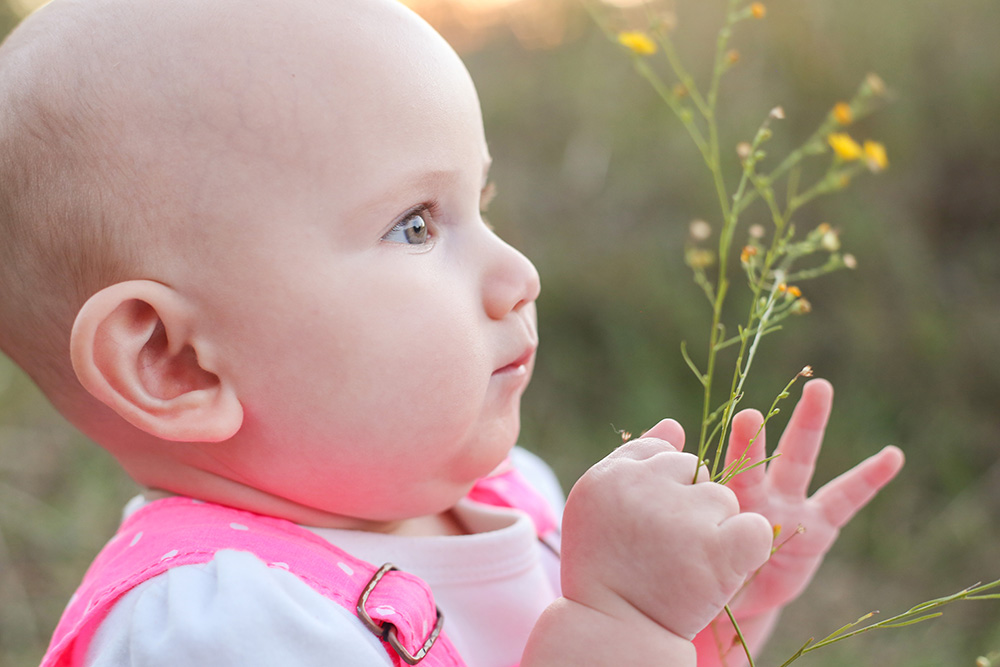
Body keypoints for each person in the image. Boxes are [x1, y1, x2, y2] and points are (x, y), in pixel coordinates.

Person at [0, 0, 904, 665]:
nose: (520, 274)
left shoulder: (519, 496)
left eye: (485, 204)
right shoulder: (219, 627)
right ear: (173, 362)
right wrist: (623, 625)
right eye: (417, 225)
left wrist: (709, 622)